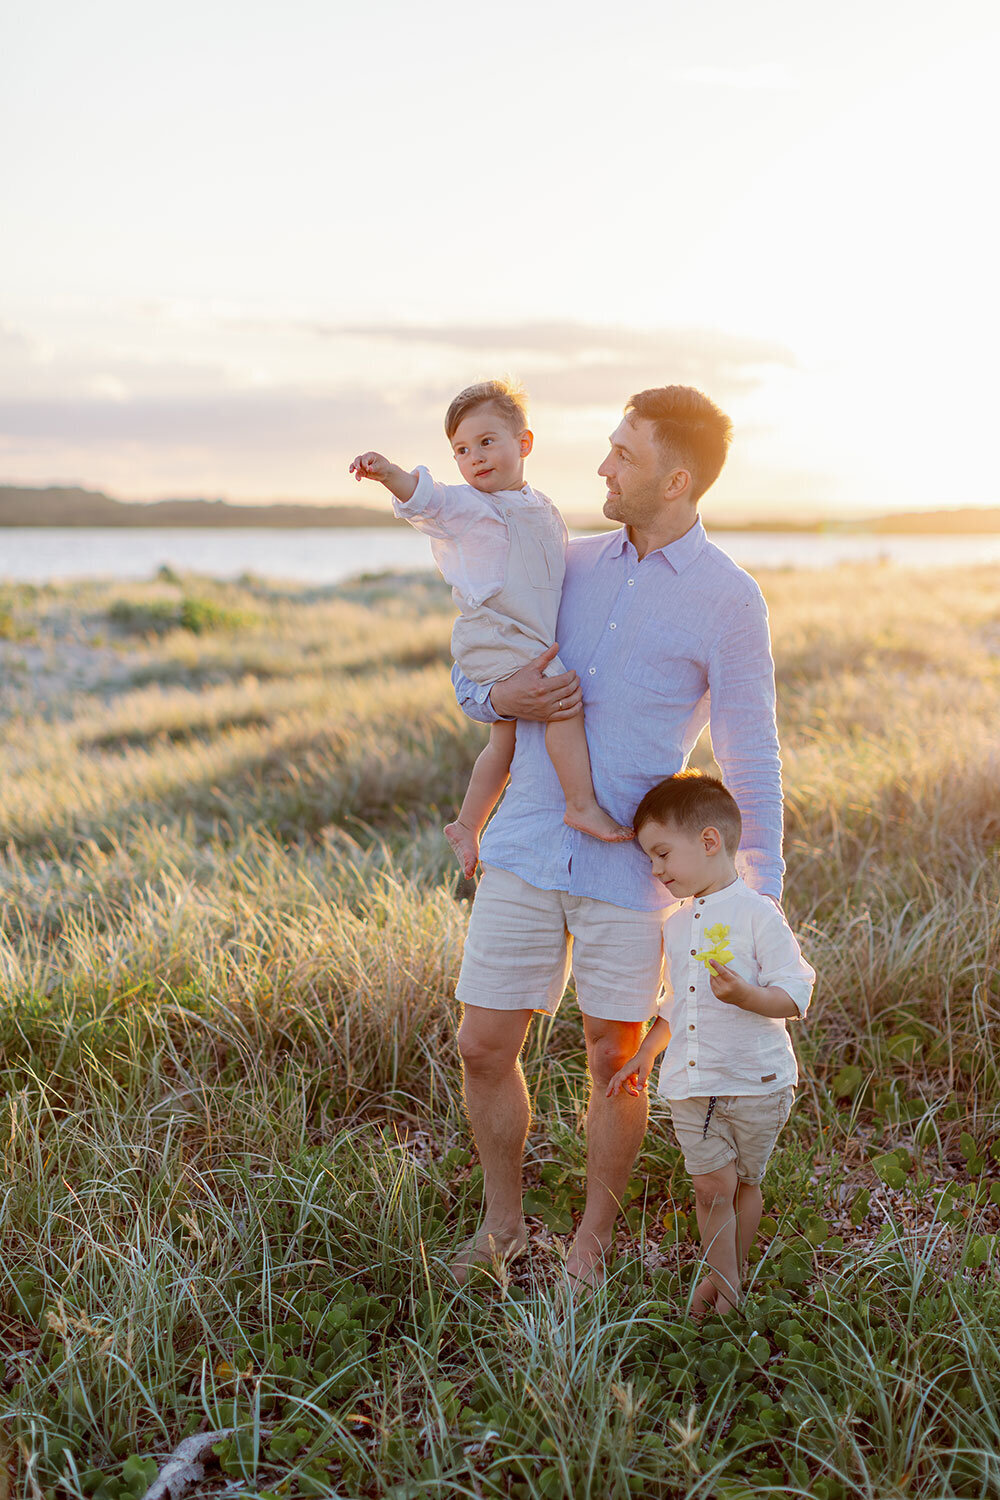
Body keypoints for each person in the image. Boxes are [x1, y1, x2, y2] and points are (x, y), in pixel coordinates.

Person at [449, 384, 787, 1288]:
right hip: (524, 839)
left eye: (623, 455)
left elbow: (751, 755)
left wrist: (762, 898)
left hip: (633, 872)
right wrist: (494, 699)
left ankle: (591, 1241)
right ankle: (504, 1224)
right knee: (482, 1043)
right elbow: (482, 655)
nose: (601, 466)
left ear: (676, 480)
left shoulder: (731, 600)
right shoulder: (565, 560)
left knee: (616, 1061)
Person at [350, 379, 632, 877]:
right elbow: (428, 499)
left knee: (504, 743)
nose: (474, 457)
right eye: (461, 450)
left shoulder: (542, 506)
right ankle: (580, 804)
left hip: (522, 637)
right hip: (495, 635)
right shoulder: (470, 508)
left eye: (486, 442)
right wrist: (390, 473)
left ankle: (466, 824)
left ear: (523, 443)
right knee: (563, 702)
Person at [607, 771, 815, 1316]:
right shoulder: (675, 927)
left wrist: (748, 996)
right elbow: (678, 1005)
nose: (656, 871)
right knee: (710, 1188)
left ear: (709, 841)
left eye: (661, 854)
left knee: (743, 1184)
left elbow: (796, 992)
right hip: (692, 1083)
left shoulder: (757, 913)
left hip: (756, 1081)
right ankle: (726, 1283)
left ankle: (727, 1280)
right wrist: (645, 1054)